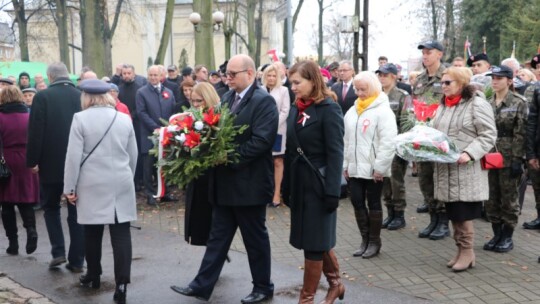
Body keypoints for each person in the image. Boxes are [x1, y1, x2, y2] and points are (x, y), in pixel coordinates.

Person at [170, 54, 278, 303]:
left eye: (232, 74)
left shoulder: (264, 102)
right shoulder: (228, 97)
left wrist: (228, 157)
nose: (227, 78)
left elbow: (261, 142)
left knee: (255, 241)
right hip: (225, 185)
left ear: (249, 74)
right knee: (217, 239)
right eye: (227, 74)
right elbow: (212, 128)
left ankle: (263, 287)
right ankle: (201, 285)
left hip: (249, 186)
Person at [63, 79, 137, 304]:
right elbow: (133, 154)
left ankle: (93, 274)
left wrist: (69, 188)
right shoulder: (124, 118)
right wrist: (128, 177)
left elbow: (73, 157)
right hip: (121, 181)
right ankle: (122, 283)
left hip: (91, 183)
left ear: (86, 96)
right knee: (121, 233)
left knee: (92, 232)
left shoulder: (80, 118)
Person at [281, 59, 345, 304]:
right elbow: (290, 149)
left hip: (319, 185)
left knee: (314, 242)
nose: (293, 87)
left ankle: (306, 300)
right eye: (291, 82)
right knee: (315, 237)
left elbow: (336, 153)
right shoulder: (298, 107)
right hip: (300, 183)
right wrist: (285, 185)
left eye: (297, 82)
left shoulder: (329, 109)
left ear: (312, 80)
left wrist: (332, 191)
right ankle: (336, 284)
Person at [432, 66, 496, 272]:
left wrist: (469, 153)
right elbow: (435, 130)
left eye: (447, 82)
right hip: (446, 169)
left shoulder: (476, 103)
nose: (443, 86)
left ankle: (468, 252)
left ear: (461, 83)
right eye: (442, 82)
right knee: (453, 213)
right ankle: (461, 250)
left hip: (466, 170)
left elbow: (488, 134)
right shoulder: (444, 105)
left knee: (463, 214)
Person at [26, 62, 85, 271]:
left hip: (50, 163)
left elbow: (35, 132)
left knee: (50, 207)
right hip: (77, 164)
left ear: (50, 77)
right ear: (67, 75)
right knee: (75, 210)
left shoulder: (42, 97)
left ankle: (58, 251)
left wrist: (32, 161)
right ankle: (78, 260)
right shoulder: (80, 95)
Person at [345, 71, 397, 260]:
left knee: (373, 203)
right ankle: (364, 239)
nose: (359, 93)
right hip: (355, 167)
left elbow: (388, 142)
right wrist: (345, 164)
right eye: (356, 89)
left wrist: (380, 168)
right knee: (357, 201)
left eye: (363, 89)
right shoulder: (352, 111)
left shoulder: (383, 111)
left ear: (373, 87)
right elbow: (346, 140)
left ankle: (374, 241)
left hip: (374, 169)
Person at [482, 66, 528, 253]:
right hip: (490, 153)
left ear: (509, 81)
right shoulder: (487, 102)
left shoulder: (519, 102)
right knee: (491, 197)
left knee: (509, 197)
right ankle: (496, 233)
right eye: (493, 77)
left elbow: (521, 132)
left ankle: (507, 236)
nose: (495, 81)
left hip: (509, 155)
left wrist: (518, 158)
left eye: (499, 78)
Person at [413, 41, 449, 240]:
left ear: (440, 54)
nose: (425, 56)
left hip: (440, 137)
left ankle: (443, 222)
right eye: (423, 53)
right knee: (425, 179)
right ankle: (433, 218)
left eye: (429, 52)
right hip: (422, 136)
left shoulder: (448, 76)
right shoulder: (419, 79)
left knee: (440, 179)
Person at [0, 86, 39, 255]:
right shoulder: (29, 116)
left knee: (6, 203)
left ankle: (13, 242)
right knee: (25, 200)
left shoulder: (0, 116)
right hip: (26, 159)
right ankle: (31, 230)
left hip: (6, 159)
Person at [183, 82, 220, 246]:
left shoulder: (218, 118)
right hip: (197, 177)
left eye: (199, 101)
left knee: (211, 222)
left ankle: (216, 251)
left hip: (213, 179)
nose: (196, 105)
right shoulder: (190, 118)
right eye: (193, 101)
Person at [376, 63, 411, 231]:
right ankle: (389, 211)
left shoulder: (402, 95)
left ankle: (399, 214)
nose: (382, 78)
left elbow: (406, 121)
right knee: (384, 181)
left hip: (396, 144)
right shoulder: (377, 95)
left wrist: (400, 142)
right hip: (381, 145)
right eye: (380, 75)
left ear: (393, 76)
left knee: (396, 181)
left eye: (385, 75)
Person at [135, 65, 175, 206]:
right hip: (149, 135)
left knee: (165, 164)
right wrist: (156, 128)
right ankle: (150, 194)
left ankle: (165, 192)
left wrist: (170, 127)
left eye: (155, 75)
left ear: (161, 76)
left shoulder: (169, 92)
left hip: (166, 136)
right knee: (148, 166)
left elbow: (173, 110)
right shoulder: (142, 92)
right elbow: (141, 113)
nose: (153, 77)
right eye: (150, 75)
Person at [261, 63, 290, 207]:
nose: (271, 78)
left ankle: (276, 193)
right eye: (269, 75)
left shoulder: (283, 91)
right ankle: (264, 192)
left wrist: (272, 125)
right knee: (263, 161)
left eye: (274, 75)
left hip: (278, 130)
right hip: (261, 132)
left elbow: (285, 111)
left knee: (277, 161)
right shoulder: (259, 90)